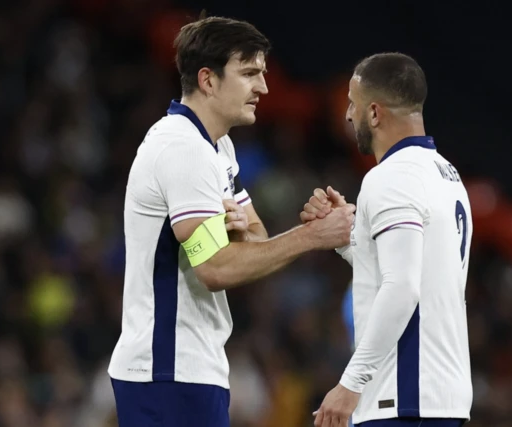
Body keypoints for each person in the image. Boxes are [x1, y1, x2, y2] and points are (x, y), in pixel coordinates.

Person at [107, 16, 355, 427]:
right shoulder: (182, 150)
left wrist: (236, 231)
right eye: (249, 74)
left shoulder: (217, 145)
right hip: (167, 370)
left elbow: (254, 236)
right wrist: (312, 236)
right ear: (207, 79)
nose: (263, 87)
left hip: (190, 368)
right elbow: (215, 267)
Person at [301, 53, 473, 427]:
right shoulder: (447, 174)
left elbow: (402, 287)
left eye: (353, 103)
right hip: (441, 397)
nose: (348, 115)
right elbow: (420, 272)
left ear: (375, 113)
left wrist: (350, 384)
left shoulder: (390, 177)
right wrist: (350, 241)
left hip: (403, 398)